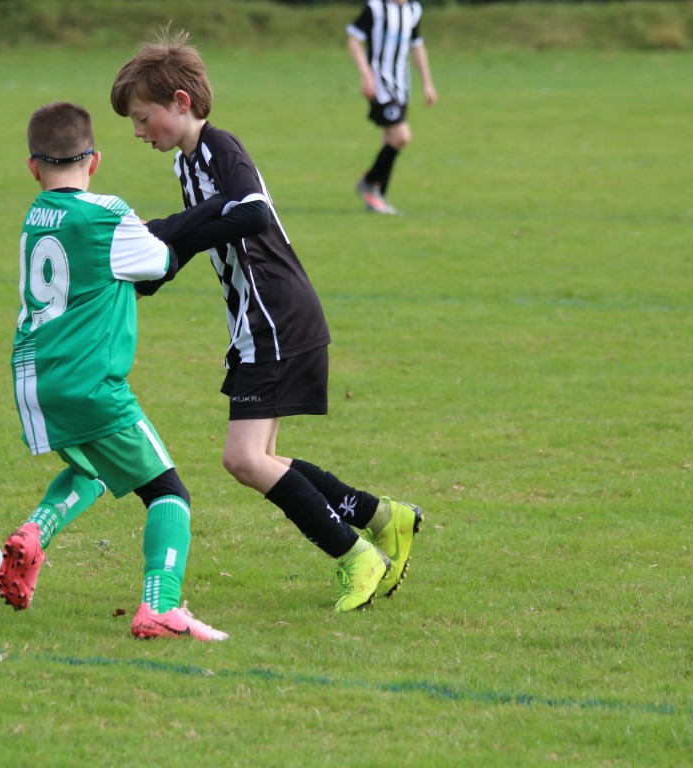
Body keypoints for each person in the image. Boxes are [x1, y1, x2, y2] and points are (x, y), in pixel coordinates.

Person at [111, 30, 423, 614]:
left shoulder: (219, 148)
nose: (137, 131)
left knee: (244, 459)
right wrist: (156, 269)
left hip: (274, 317)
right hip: (265, 318)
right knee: (266, 459)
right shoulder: (188, 163)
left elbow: (250, 210)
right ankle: (384, 517)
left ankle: (356, 556)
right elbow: (211, 229)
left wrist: (169, 231)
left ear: (181, 103)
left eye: (143, 117)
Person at [0, 101, 227, 642]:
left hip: (36, 380)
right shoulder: (107, 214)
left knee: (95, 467)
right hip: (92, 384)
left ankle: (35, 532)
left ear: (33, 167)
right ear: (94, 160)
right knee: (168, 492)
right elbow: (161, 261)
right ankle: (160, 607)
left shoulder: (35, 215)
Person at [347, 0, 437, 215]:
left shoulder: (413, 10)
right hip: (379, 86)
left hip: (401, 87)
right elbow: (353, 41)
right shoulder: (376, 8)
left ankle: (377, 196)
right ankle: (368, 183)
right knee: (401, 136)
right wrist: (365, 73)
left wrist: (427, 82)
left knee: (390, 140)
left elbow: (417, 45)